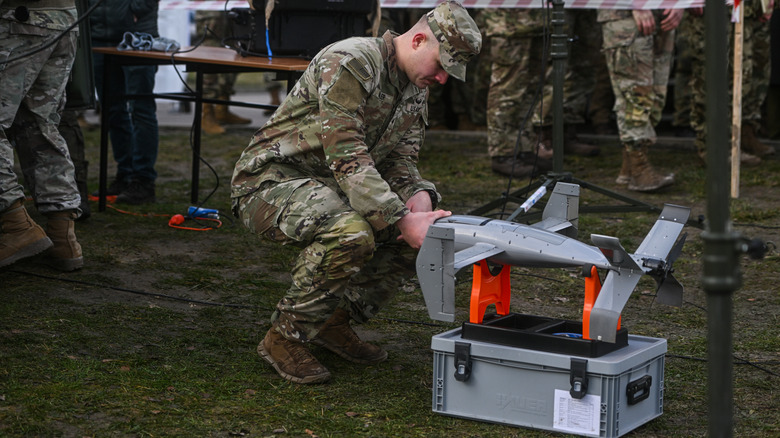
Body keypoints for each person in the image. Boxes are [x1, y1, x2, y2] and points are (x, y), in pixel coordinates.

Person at [231, 1, 481, 384]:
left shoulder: (415, 86)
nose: (444, 79)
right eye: (442, 66)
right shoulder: (350, 61)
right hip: (270, 183)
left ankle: (334, 321)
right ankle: (285, 337)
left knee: (415, 233)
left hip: (333, 186)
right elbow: (347, 154)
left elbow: (399, 159)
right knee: (352, 233)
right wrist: (399, 216)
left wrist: (417, 197)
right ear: (417, 40)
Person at [0, 0, 84, 271]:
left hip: (19, 18)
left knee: (38, 124)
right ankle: (63, 238)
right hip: (62, 18)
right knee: (39, 125)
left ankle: (16, 225)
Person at [598, 7, 682, 192]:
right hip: (625, 15)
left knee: (656, 96)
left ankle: (630, 166)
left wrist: (679, 4)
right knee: (635, 94)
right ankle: (639, 168)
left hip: (662, 13)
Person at [89, 0, 160, 204]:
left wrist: (135, 9)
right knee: (113, 111)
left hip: (137, 37)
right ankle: (126, 174)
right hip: (99, 39)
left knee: (141, 109)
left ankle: (143, 180)